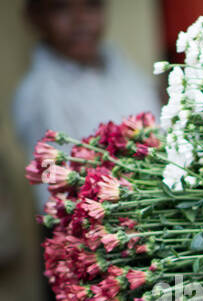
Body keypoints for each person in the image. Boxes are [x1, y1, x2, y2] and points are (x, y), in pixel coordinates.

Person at [12, 0, 160, 209]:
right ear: (35, 17)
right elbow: (56, 199)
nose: (80, 19)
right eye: (61, 7)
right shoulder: (36, 95)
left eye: (91, 5)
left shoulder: (122, 67)